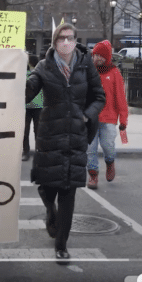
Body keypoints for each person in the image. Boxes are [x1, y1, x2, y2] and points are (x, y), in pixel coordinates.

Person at [26, 23, 105, 264]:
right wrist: (16, 71)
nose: (66, 42)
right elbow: (28, 92)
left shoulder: (85, 64)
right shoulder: (44, 66)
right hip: (50, 134)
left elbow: (99, 96)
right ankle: (50, 210)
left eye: (70, 37)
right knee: (48, 186)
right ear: (54, 41)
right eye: (62, 38)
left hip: (76, 136)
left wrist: (86, 115)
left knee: (68, 191)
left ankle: (62, 244)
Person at [86, 40, 128, 190]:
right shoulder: (88, 71)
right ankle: (93, 175)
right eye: (95, 55)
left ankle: (110, 162)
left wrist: (123, 120)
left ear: (107, 58)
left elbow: (120, 98)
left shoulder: (114, 72)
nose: (97, 58)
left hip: (108, 117)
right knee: (90, 149)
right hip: (90, 118)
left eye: (100, 56)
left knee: (107, 145)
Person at [23, 54, 42, 162]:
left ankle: (29, 152)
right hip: (29, 106)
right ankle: (28, 152)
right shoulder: (24, 73)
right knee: (27, 131)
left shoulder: (39, 73)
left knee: (36, 131)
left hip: (36, 106)